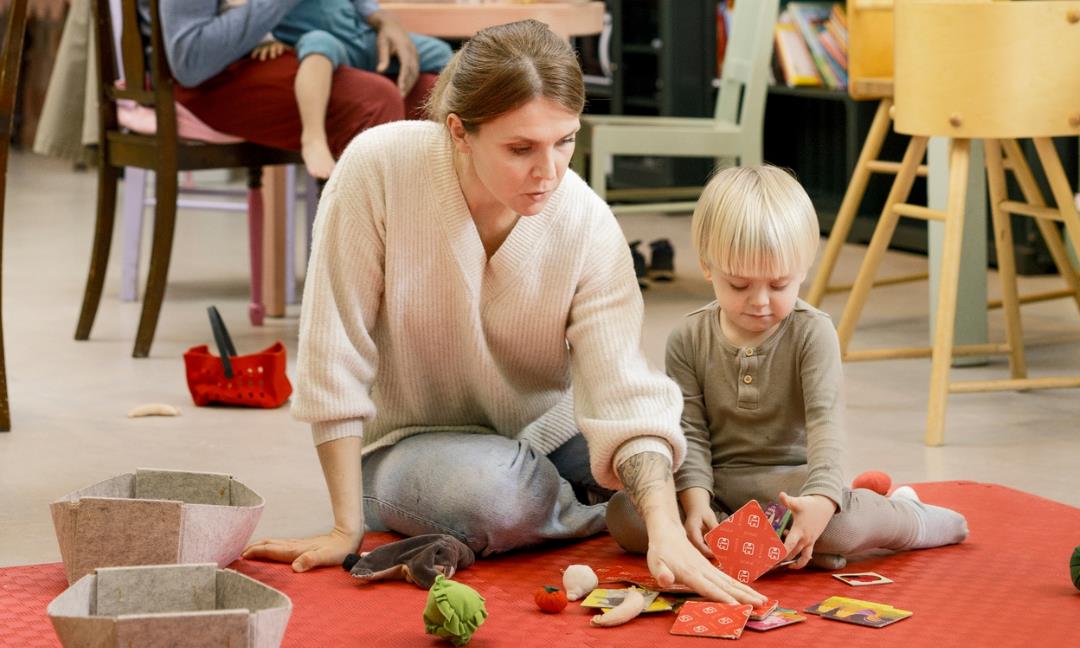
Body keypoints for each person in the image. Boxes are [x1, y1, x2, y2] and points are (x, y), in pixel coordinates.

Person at [241, 19, 765, 606]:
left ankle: (616, 513)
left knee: (692, 451)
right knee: (496, 495)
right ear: (459, 131)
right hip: (407, 448)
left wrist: (663, 527)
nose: (550, 172)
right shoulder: (378, 168)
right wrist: (346, 528)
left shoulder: (586, 221)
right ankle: (602, 514)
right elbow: (333, 350)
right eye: (521, 149)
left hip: (550, 431)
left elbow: (622, 389)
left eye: (565, 140)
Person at [606, 166, 969, 570]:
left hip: (793, 485)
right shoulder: (687, 337)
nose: (760, 301)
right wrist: (695, 501)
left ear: (803, 268)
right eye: (739, 285)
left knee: (842, 528)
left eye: (779, 285)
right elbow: (690, 431)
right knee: (625, 516)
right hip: (719, 486)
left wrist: (820, 500)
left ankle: (907, 514)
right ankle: (783, 547)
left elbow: (826, 425)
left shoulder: (814, 332)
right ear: (708, 266)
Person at [152, 0, 437, 163]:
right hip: (212, 75)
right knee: (372, 99)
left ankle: (427, 242)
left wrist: (383, 18)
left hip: (298, 45)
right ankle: (366, 248)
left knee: (433, 93)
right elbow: (190, 62)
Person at [242, 0, 453, 178]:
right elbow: (249, 11)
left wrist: (380, 21)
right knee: (318, 49)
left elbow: (365, 6)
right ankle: (313, 138)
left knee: (440, 52)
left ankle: (452, 145)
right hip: (325, 42)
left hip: (362, 37)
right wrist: (266, 39)